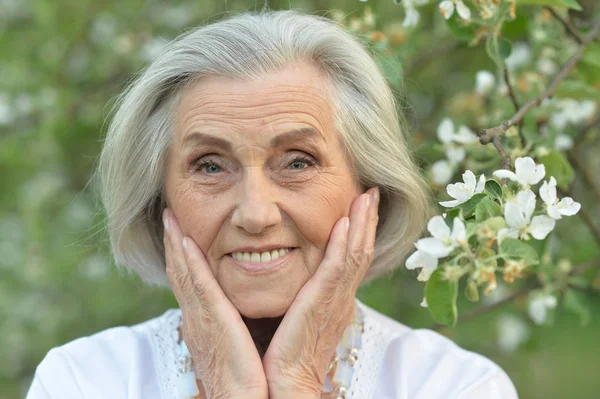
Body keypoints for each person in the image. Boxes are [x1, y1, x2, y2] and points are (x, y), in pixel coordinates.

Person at [26, 9, 518, 399]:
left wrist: (299, 382)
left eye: (298, 162)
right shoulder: (84, 381)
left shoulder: (454, 386)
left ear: (371, 187)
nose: (256, 215)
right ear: (159, 200)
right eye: (211, 166)